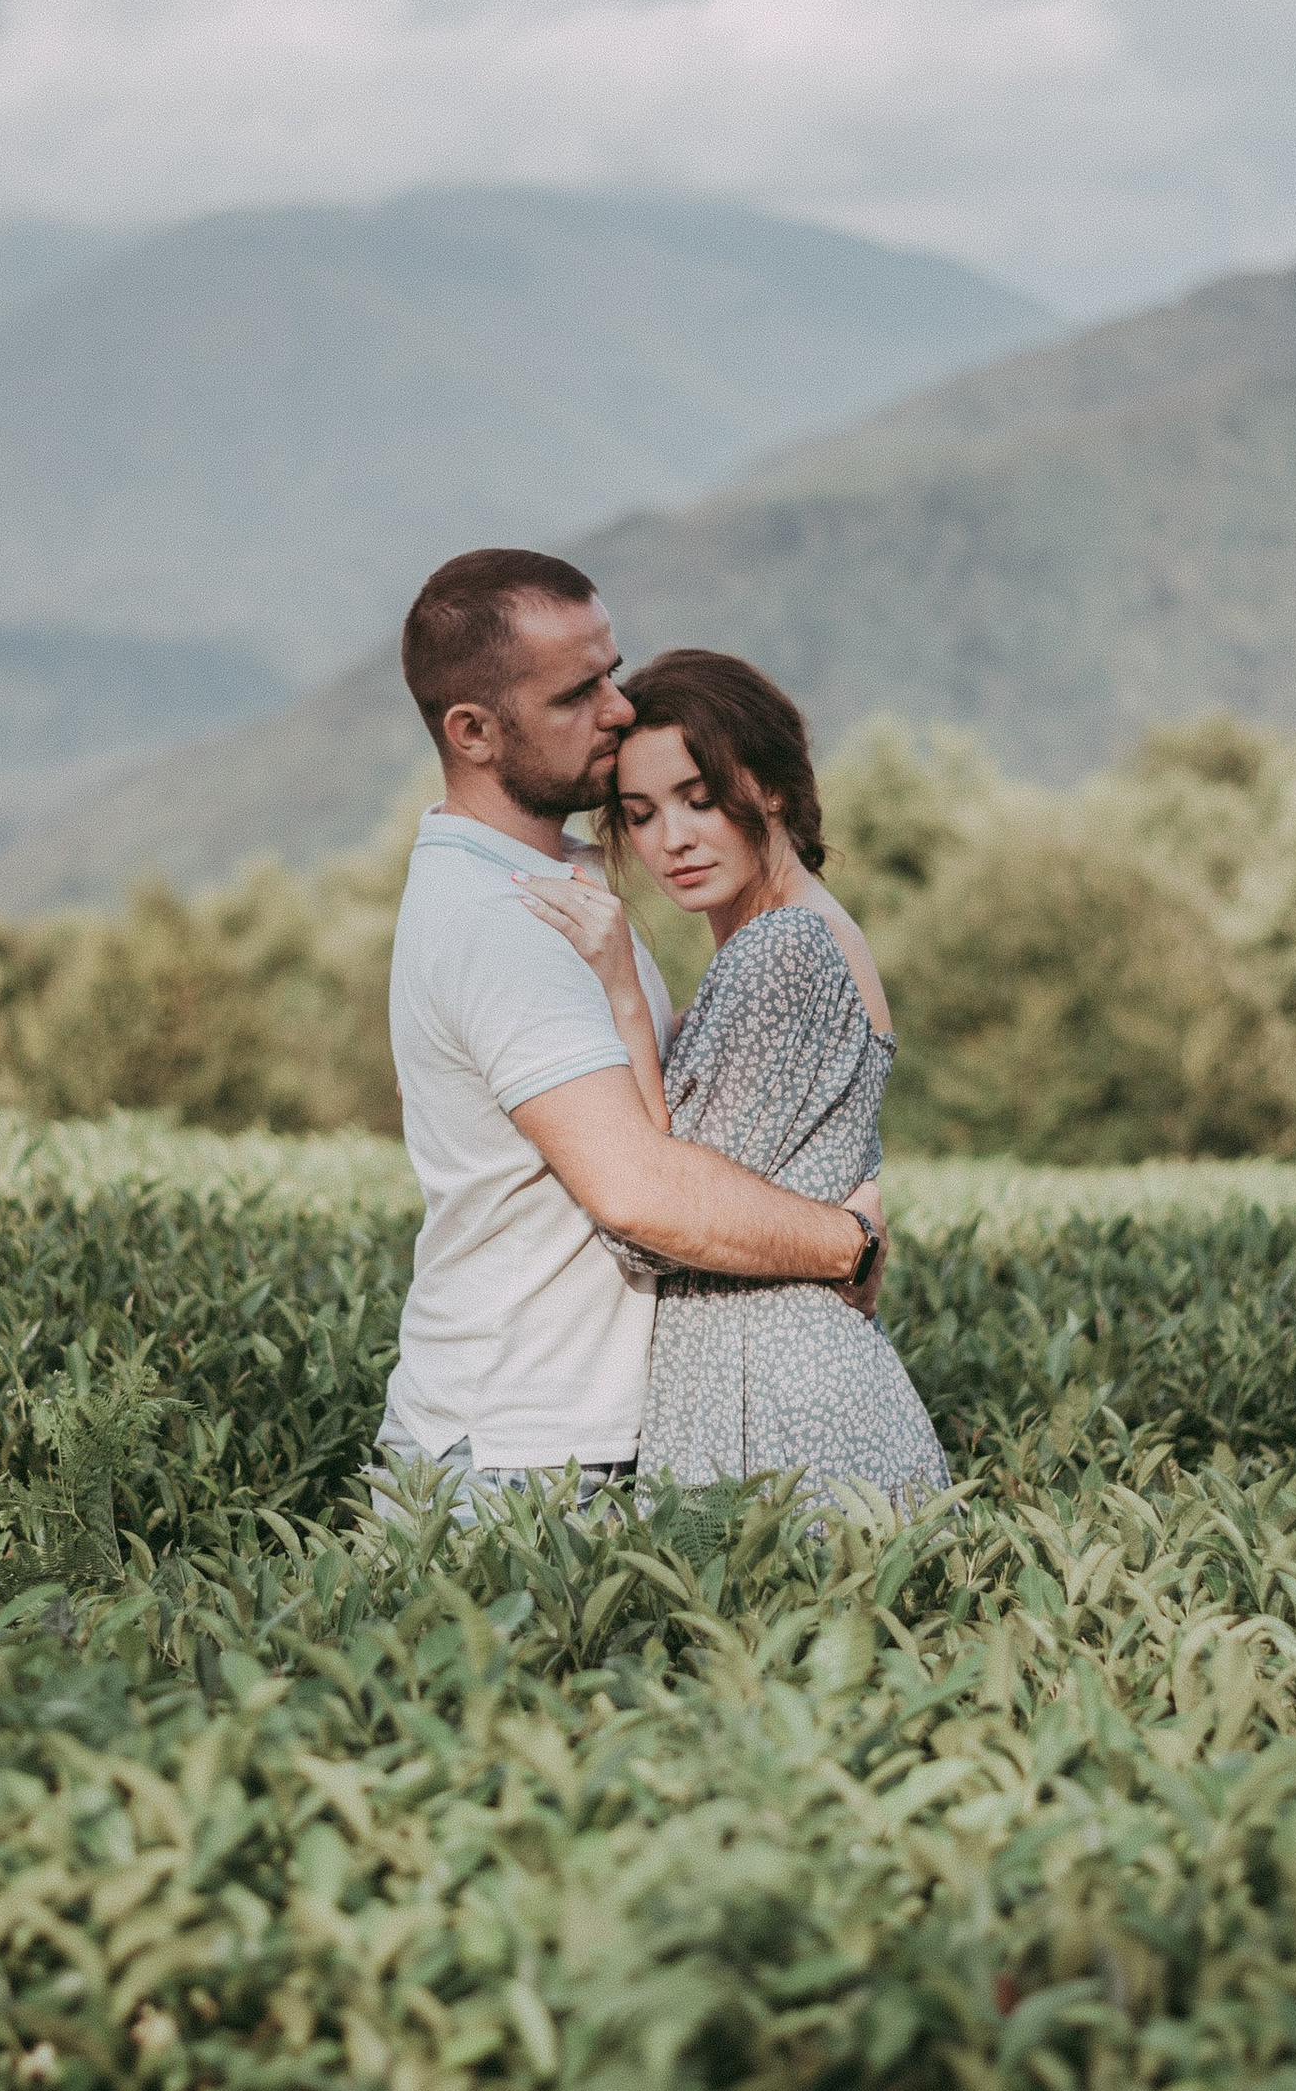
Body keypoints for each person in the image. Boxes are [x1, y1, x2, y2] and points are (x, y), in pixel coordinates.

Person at [376, 551, 890, 1510]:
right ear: (474, 731)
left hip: (573, 1435)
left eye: (614, 670)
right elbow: (638, 1193)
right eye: (579, 692)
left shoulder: (562, 880)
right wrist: (847, 1241)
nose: (618, 707)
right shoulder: (506, 917)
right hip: (524, 1455)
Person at [517, 646, 947, 1508]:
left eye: (699, 800)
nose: (670, 839)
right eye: (640, 814)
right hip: (799, 1376)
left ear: (774, 787)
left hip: (771, 1399)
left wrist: (624, 995)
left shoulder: (780, 950)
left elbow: (655, 1213)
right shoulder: (812, 931)